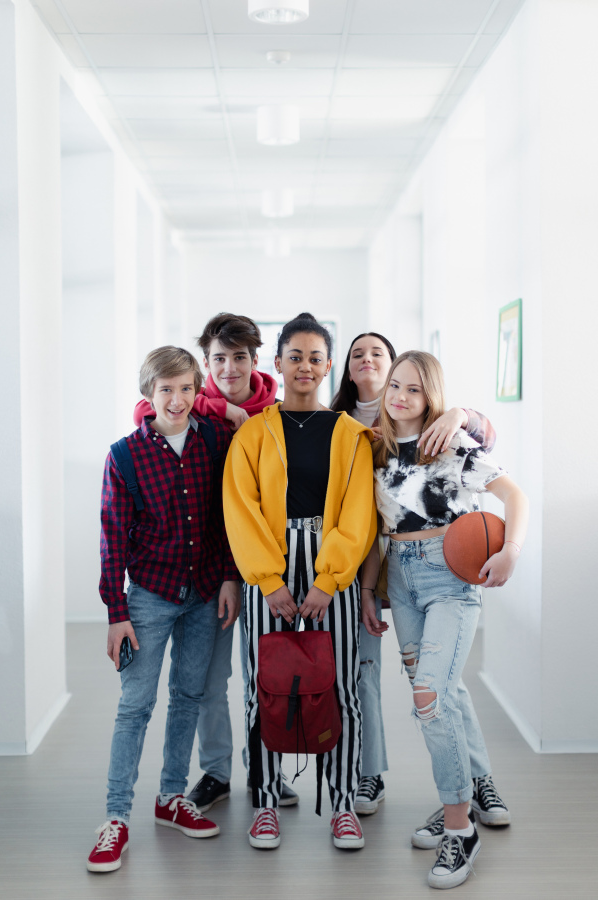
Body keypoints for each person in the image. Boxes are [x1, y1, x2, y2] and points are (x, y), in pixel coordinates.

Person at [361, 350, 528, 890]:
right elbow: (375, 532)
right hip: (402, 582)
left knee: (429, 699)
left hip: (452, 577)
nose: (400, 396)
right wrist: (369, 589)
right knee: (443, 696)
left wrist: (512, 550)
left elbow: (514, 495)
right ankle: (462, 792)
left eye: (412, 388)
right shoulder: (377, 450)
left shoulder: (454, 443)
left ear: (431, 396)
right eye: (394, 386)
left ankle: (460, 828)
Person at [132, 315, 298, 813]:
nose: (230, 367)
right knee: (209, 680)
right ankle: (218, 771)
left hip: (271, 564)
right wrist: (217, 406)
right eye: (219, 359)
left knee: (267, 673)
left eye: (240, 357)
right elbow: (147, 406)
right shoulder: (197, 408)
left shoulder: (278, 411)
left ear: (256, 360)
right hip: (213, 568)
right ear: (206, 364)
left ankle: (268, 772)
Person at [223, 312, 377, 851]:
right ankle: (265, 801)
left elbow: (359, 515)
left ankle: (342, 804)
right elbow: (239, 509)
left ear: (329, 365)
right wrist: (268, 581)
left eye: (316, 357)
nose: (305, 366)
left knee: (340, 689)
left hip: (331, 567)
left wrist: (330, 580)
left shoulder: (352, 434)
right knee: (261, 688)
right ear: (278, 363)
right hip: (267, 567)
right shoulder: (253, 433)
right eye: (295, 356)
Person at [331, 333, 498, 817]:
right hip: (376, 569)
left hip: (440, 572)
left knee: (439, 686)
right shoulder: (341, 424)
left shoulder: (433, 427)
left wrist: (459, 413)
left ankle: (474, 783)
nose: (366, 360)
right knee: (367, 677)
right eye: (356, 353)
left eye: (376, 353)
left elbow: (484, 439)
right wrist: (364, 585)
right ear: (344, 367)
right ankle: (370, 776)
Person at [87, 346, 240, 873]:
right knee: (135, 707)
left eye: (185, 389)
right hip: (148, 597)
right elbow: (112, 539)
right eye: (165, 390)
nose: (176, 400)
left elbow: (227, 518)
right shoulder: (124, 455)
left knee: (188, 698)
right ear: (148, 396)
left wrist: (227, 577)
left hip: (203, 594)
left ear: (199, 391)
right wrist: (116, 611)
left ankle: (171, 797)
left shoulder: (218, 441)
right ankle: (115, 818)